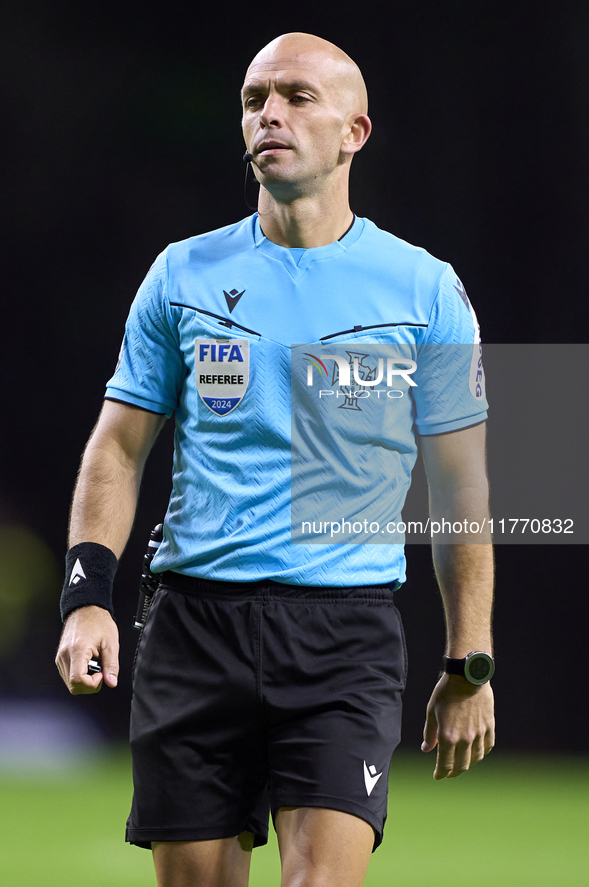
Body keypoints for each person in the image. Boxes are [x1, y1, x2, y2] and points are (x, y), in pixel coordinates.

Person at [56, 32, 495, 887]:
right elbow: (117, 444)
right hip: (193, 626)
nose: (269, 115)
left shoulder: (422, 287)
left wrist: (467, 661)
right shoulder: (181, 274)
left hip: (343, 634)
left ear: (353, 132)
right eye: (255, 99)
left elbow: (461, 484)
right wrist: (86, 597)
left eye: (296, 97)